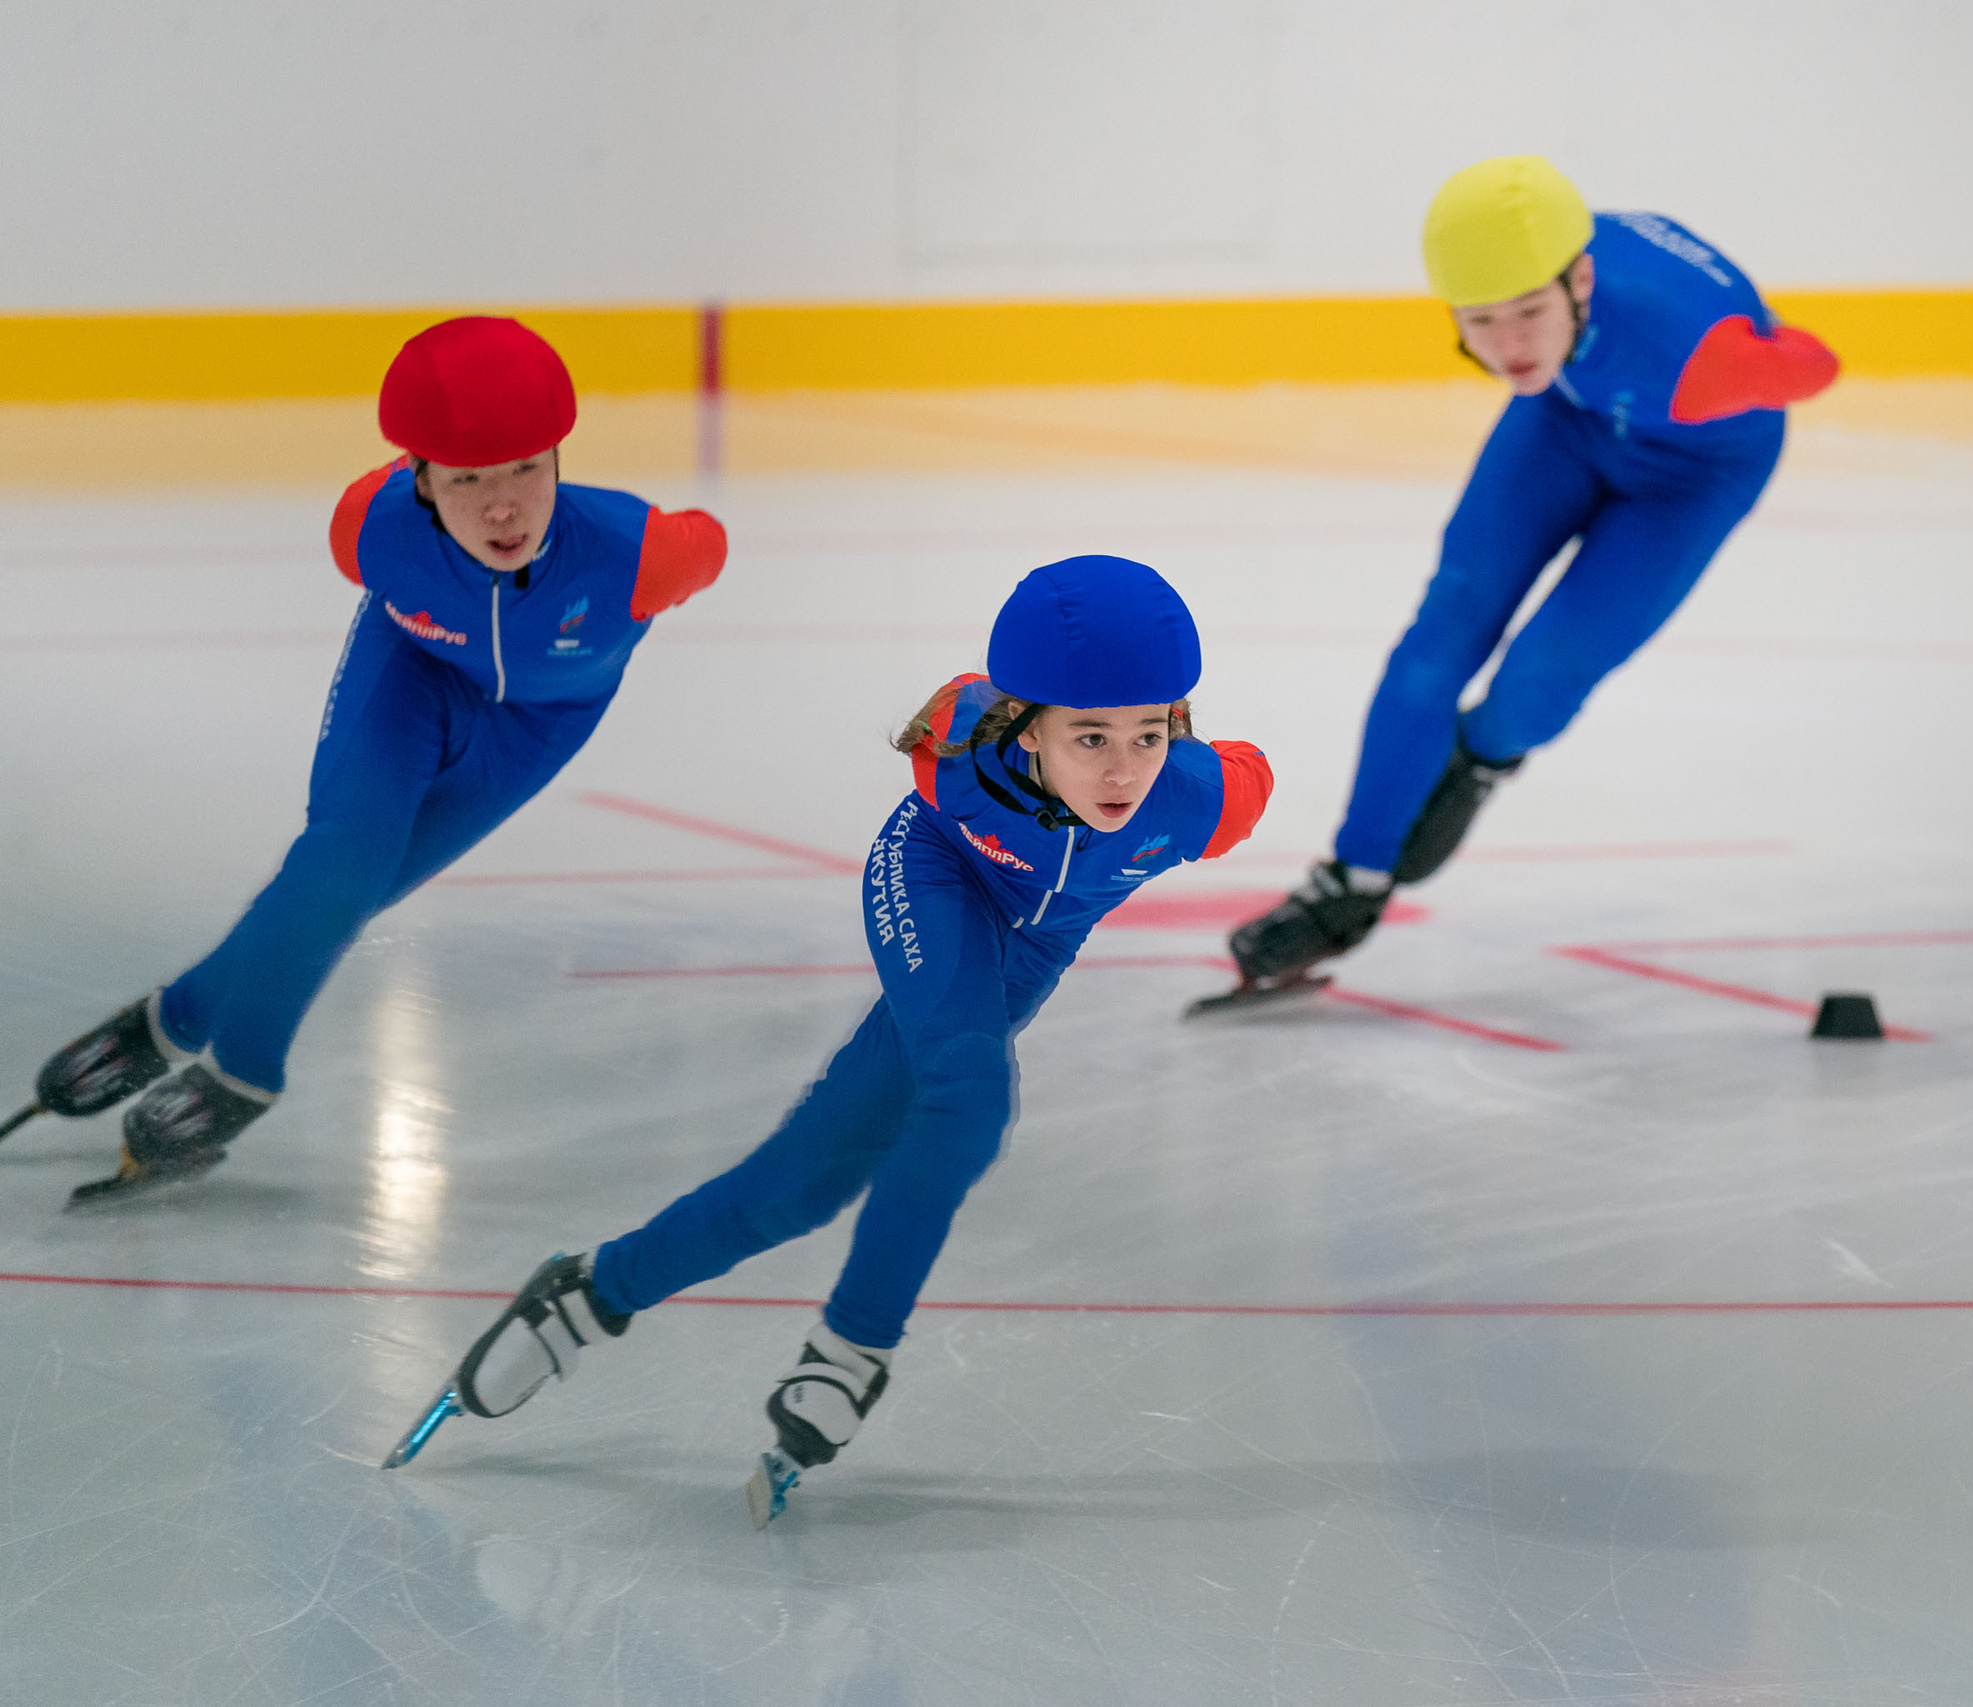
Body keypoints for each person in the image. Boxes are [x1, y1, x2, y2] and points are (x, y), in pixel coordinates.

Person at [385, 555, 1272, 1527]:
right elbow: (956, 709)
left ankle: (589, 1294)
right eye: (1089, 736)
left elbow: (1245, 772)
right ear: (1024, 725)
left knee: (800, 1188)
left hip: (1031, 951)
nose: (1121, 771)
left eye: (1148, 736)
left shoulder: (1202, 799)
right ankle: (851, 1351)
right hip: (936, 882)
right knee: (968, 1097)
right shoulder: (959, 760)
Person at [4, 317, 727, 1205]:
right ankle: (242, 1075)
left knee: (353, 891)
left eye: (526, 470)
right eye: (466, 479)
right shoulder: (369, 531)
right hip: (411, 675)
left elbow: (711, 542)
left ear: (558, 460)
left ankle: (179, 1014)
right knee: (341, 863)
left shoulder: (641, 555)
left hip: (535, 726)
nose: (503, 506)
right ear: (419, 478)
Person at [1206, 155, 1837, 1007]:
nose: (1507, 346)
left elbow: (1817, 363)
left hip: (1693, 478)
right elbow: (1529, 336)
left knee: (1538, 680)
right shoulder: (1539, 303)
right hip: (1569, 424)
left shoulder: (1689, 342)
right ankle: (1350, 880)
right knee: (1438, 639)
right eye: (1480, 321)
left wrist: (1754, 366)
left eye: (1531, 314)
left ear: (1580, 279)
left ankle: (1483, 757)